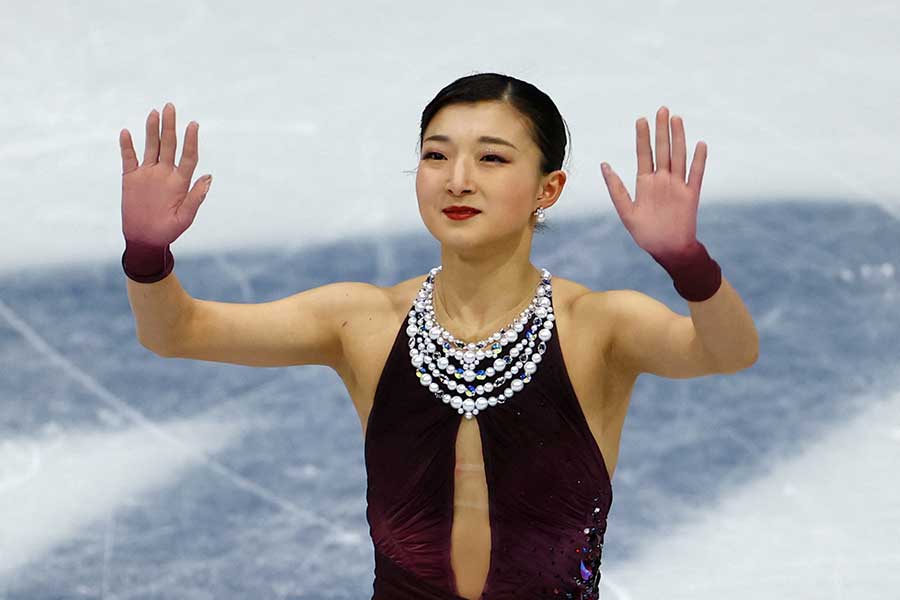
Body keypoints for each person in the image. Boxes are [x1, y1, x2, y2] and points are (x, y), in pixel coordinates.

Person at [119, 72, 759, 599]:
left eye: (491, 157)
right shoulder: (361, 321)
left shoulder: (598, 324)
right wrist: (147, 253)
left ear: (549, 189)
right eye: (436, 154)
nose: (458, 178)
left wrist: (688, 263)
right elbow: (177, 332)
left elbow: (728, 351)